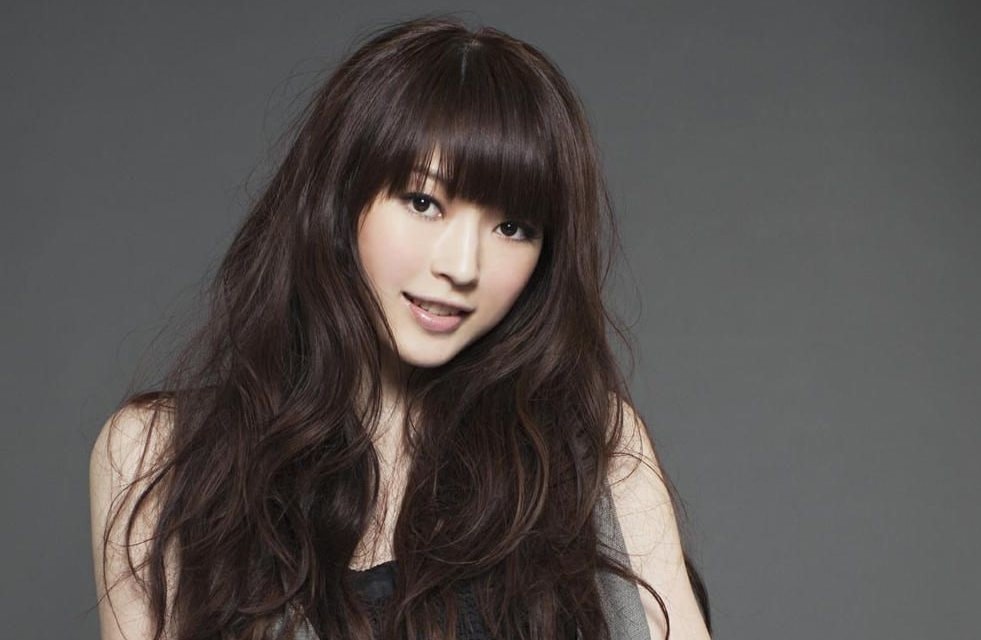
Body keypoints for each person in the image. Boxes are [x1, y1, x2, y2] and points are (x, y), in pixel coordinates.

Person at [89, 15, 712, 640]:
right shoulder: (161, 456)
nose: (461, 267)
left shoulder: (590, 451)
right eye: (423, 202)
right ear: (339, 199)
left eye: (512, 227)